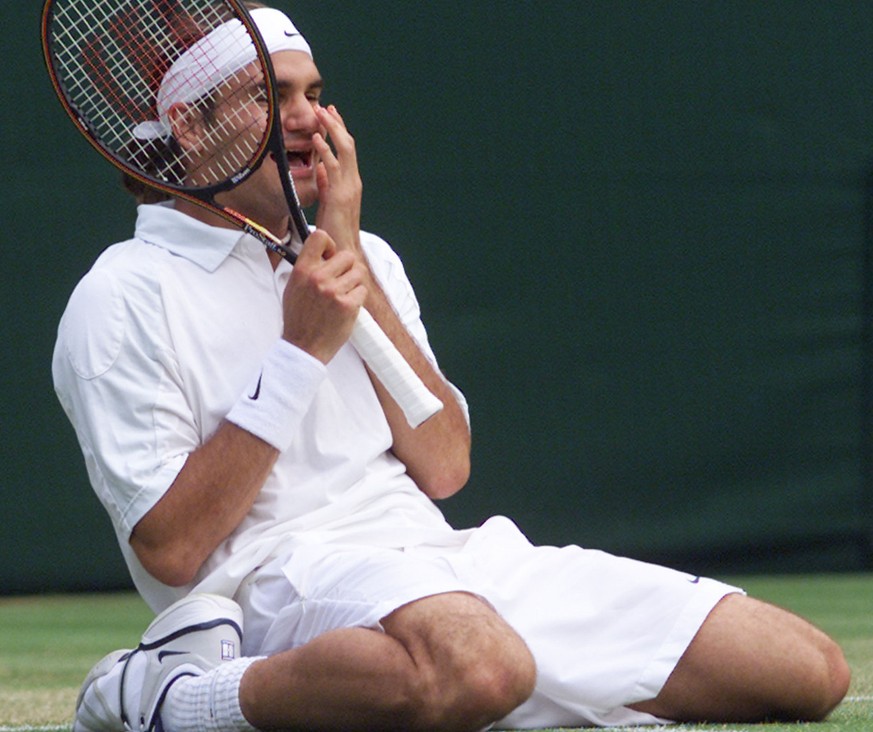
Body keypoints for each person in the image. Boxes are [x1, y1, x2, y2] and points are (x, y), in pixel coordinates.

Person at [53, 5, 850, 732]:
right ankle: (171, 696)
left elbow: (444, 465)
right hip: (267, 584)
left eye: (314, 93)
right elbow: (171, 551)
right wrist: (299, 352)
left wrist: (351, 258)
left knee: (804, 672)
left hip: (442, 561)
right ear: (189, 126)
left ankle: (468, 694)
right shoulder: (122, 294)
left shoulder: (365, 258)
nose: (308, 120)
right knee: (481, 667)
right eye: (269, 97)